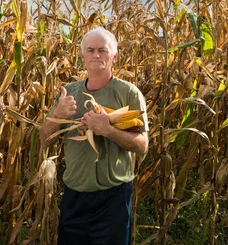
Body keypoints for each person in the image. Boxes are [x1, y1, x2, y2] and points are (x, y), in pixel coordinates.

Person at [40, 27, 149, 245]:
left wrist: (106, 129)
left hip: (113, 197)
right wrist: (57, 115)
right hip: (75, 194)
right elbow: (44, 140)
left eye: (103, 50)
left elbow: (142, 146)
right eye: (90, 50)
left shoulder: (129, 93)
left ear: (114, 56)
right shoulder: (67, 92)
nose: (96, 54)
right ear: (82, 56)